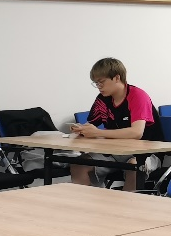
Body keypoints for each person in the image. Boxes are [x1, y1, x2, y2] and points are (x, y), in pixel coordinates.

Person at [69, 57, 161, 191]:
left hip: (146, 153)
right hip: (114, 151)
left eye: (101, 82)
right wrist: (81, 129)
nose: (98, 86)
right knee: (79, 164)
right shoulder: (102, 99)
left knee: (133, 166)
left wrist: (97, 133)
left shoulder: (137, 96)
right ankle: (88, 202)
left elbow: (136, 132)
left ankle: (126, 204)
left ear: (117, 78)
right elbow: (90, 125)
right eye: (96, 83)